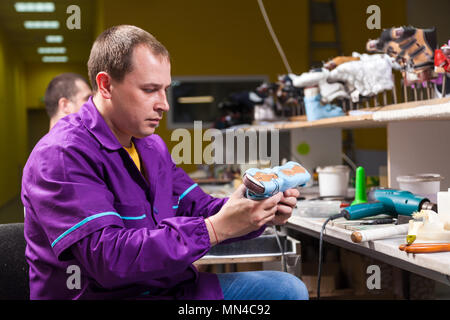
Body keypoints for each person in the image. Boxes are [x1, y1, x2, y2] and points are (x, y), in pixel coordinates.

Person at [21, 25, 308, 300]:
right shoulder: (62, 154)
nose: (164, 104)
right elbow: (108, 261)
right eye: (149, 90)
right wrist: (216, 229)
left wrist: (254, 209)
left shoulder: (150, 146)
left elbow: (200, 208)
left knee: (287, 288)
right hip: (108, 296)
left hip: (167, 287)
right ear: (106, 85)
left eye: (165, 89)